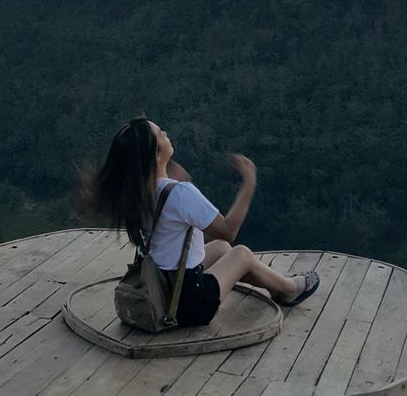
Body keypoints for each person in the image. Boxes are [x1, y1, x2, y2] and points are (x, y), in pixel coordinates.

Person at [83, 115, 319, 328]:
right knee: (241, 253)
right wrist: (249, 184)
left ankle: (273, 286)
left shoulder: (136, 193)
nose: (166, 134)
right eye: (161, 134)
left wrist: (172, 178)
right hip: (189, 305)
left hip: (160, 285)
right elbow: (228, 231)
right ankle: (289, 289)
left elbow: (187, 231)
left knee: (221, 249)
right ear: (156, 154)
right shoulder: (179, 193)